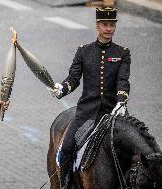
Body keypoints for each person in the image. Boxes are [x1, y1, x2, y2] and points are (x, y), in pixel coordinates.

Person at [47, 7, 131, 188]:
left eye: (112, 25)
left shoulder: (122, 53)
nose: (109, 29)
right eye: (105, 25)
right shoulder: (84, 51)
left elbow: (123, 81)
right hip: (86, 113)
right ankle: (67, 183)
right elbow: (73, 79)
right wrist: (61, 88)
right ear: (97, 26)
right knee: (68, 148)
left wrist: (122, 101)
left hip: (112, 113)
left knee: (132, 151)